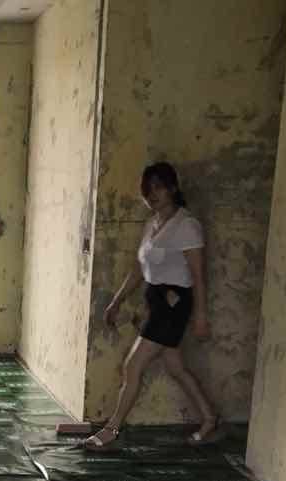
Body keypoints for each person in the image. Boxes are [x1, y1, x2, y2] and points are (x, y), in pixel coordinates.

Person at [76, 162, 221, 449]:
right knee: (175, 367)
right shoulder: (151, 225)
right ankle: (209, 418)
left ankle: (111, 430)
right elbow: (138, 270)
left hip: (173, 305)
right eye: (146, 189)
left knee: (132, 367)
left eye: (158, 187)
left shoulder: (187, 225)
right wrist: (116, 301)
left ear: (172, 188)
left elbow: (198, 275)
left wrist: (201, 316)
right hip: (156, 302)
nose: (151, 194)